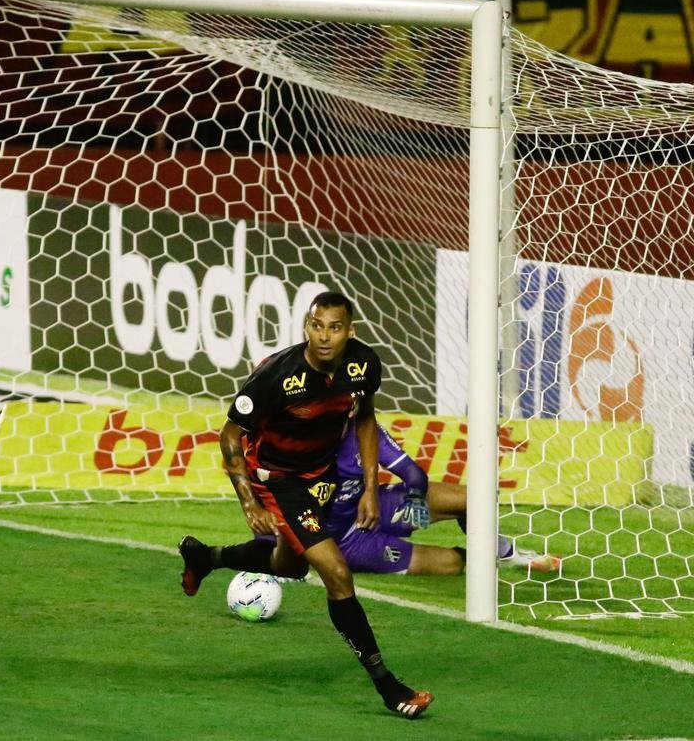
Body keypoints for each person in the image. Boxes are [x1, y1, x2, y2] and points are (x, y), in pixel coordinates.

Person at [179, 291, 433, 720]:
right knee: (335, 571)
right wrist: (247, 500)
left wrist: (372, 486)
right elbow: (229, 435)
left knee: (292, 565)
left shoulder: (363, 365)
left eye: (335, 328)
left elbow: (365, 417)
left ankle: (206, 557)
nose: (325, 337)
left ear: (349, 331)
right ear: (306, 327)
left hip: (322, 475)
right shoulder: (279, 376)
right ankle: (389, 687)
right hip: (275, 479)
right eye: (317, 326)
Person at [327, 419, 563, 576]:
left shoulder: (365, 429)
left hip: (376, 506)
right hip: (347, 542)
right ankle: (476, 559)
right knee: (451, 563)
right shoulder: (303, 441)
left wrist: (416, 496)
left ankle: (505, 554)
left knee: (473, 499)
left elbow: (413, 472)